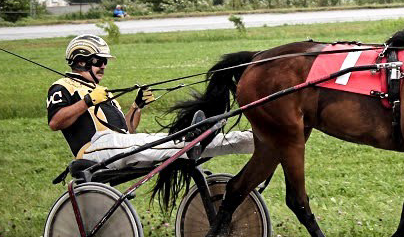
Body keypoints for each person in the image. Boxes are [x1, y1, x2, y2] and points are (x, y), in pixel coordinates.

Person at [46, 34, 253, 167]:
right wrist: (87, 101)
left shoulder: (101, 92)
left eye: (105, 62)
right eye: (99, 61)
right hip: (93, 149)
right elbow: (55, 122)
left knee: (164, 140)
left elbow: (127, 132)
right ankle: (191, 139)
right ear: (81, 61)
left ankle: (248, 140)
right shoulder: (63, 86)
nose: (104, 66)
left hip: (116, 146)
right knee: (167, 143)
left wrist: (136, 107)